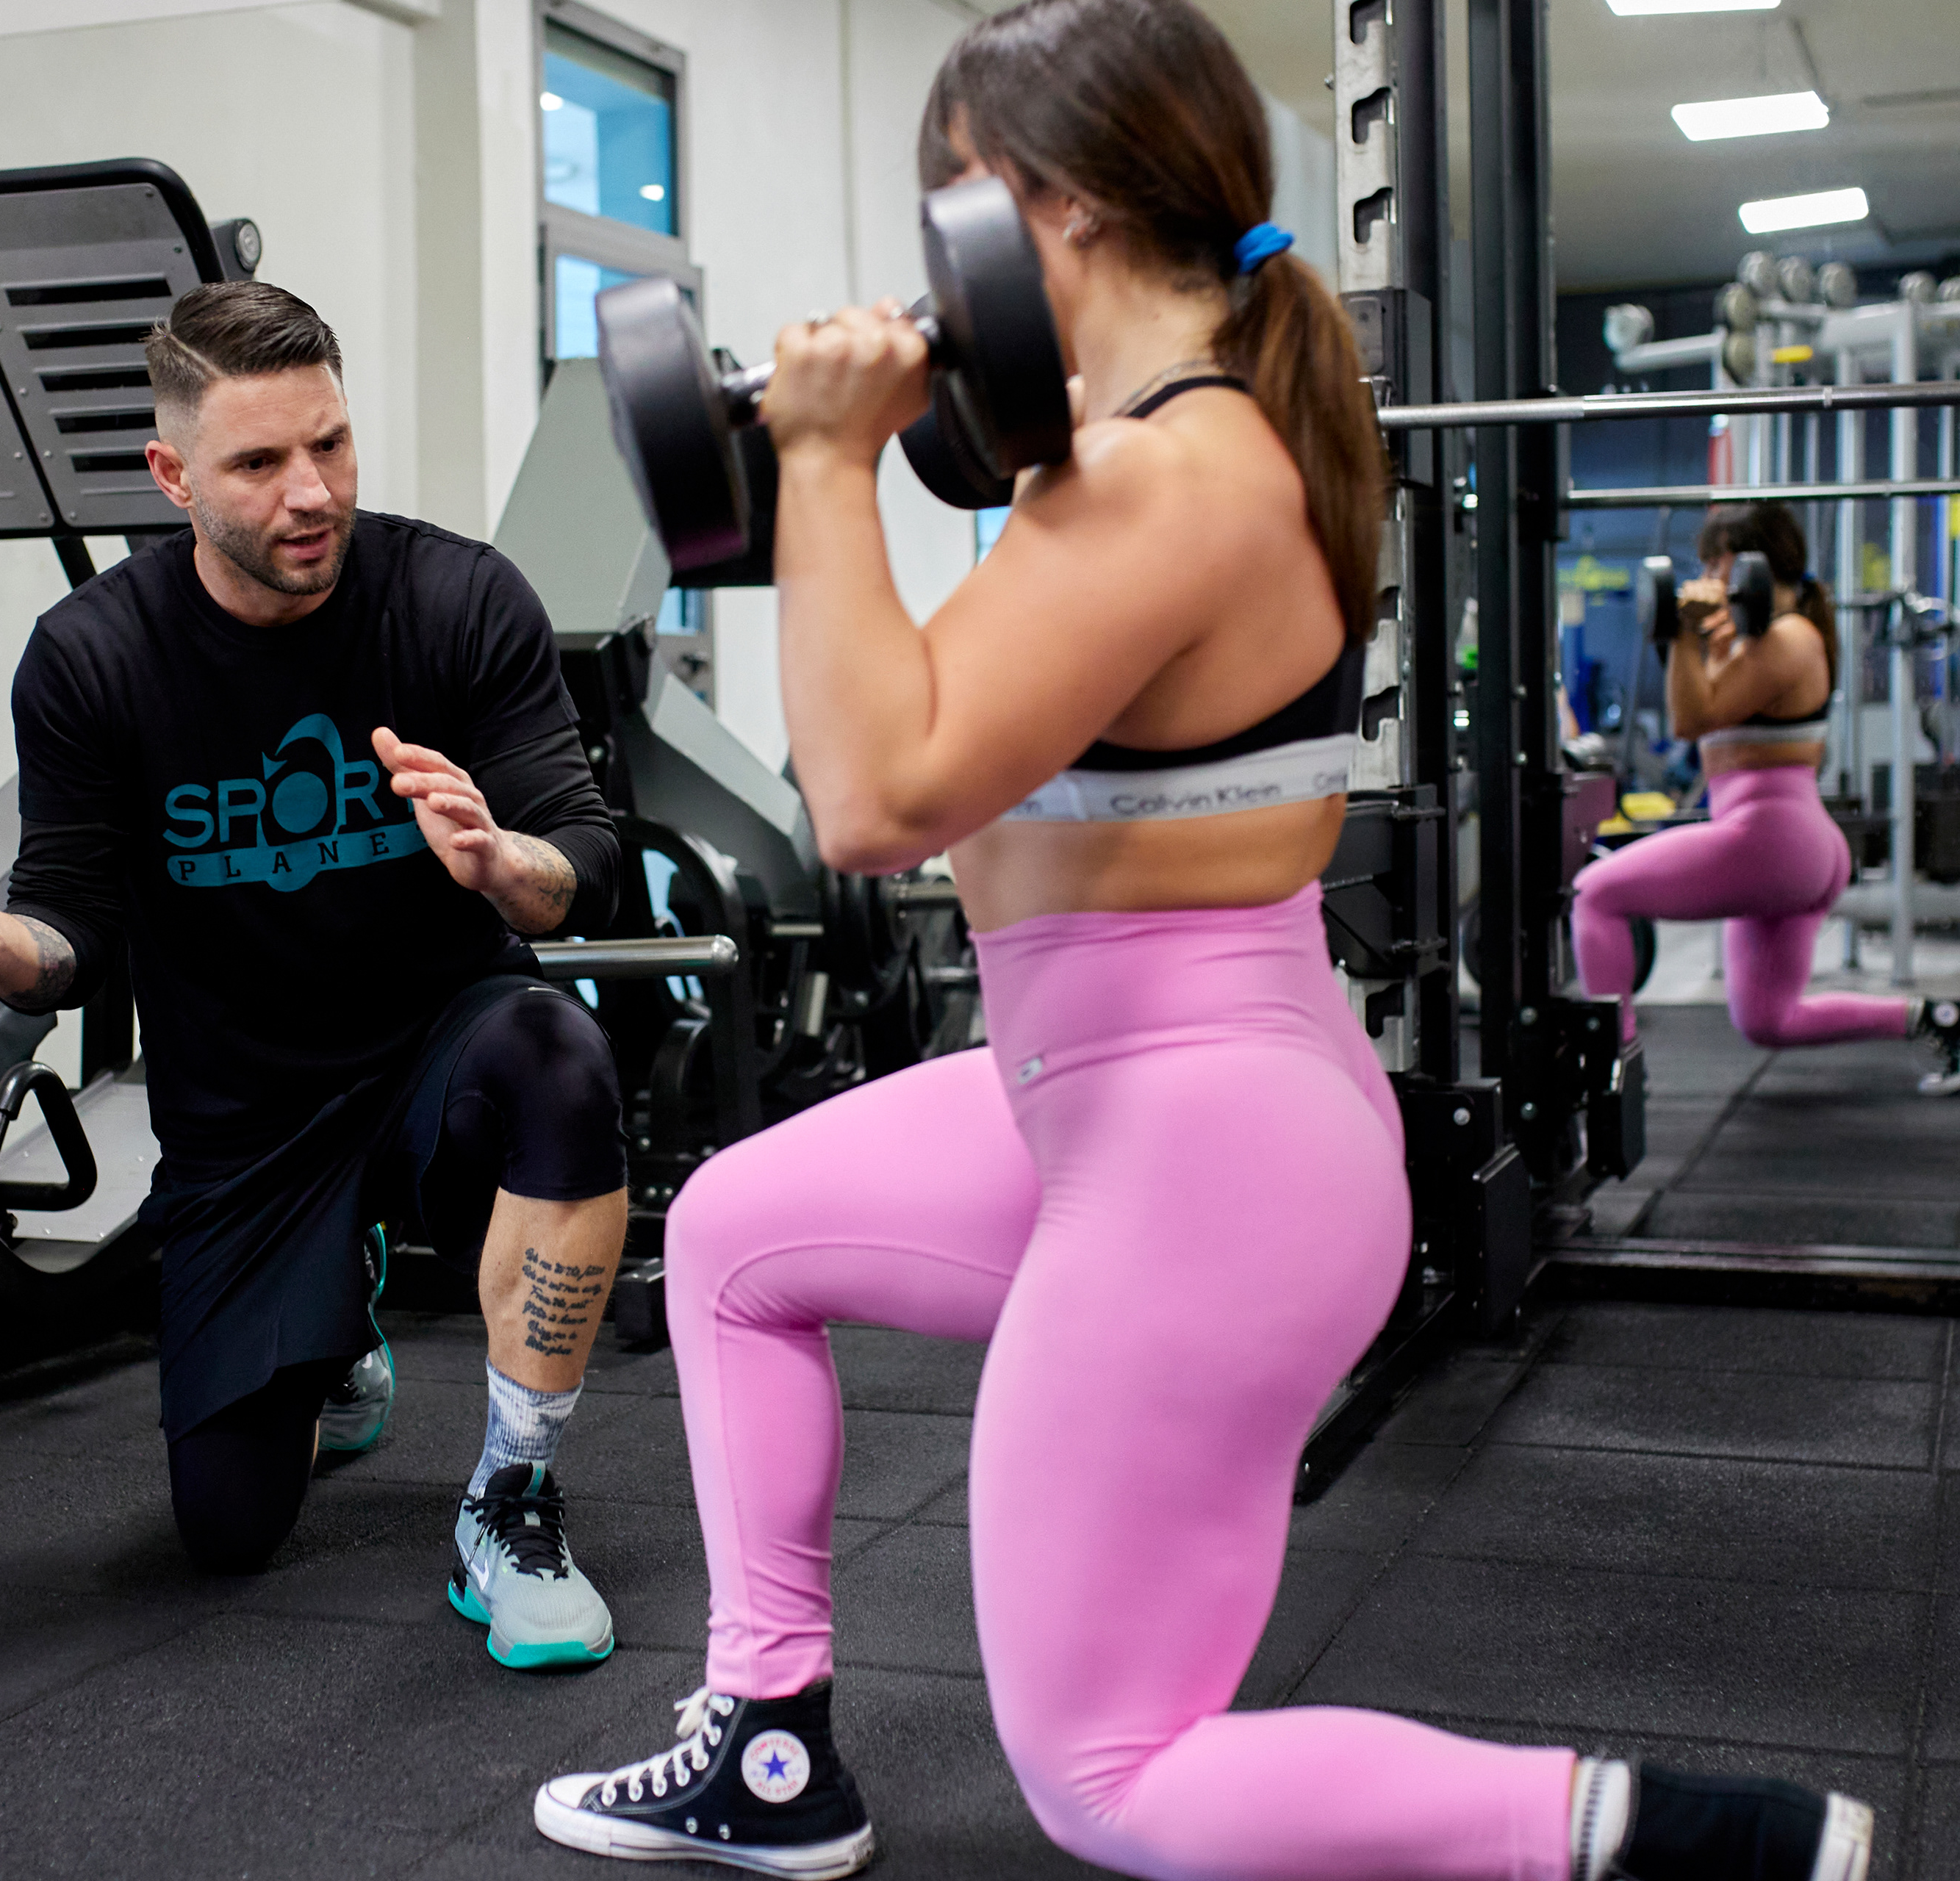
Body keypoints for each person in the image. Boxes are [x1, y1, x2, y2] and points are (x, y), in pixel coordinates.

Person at [529, 4, 1876, 1877]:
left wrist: (827, 462)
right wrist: (830, 472)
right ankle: (766, 1743)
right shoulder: (1156, 448)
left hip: (1199, 1159)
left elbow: (872, 796)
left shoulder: (1172, 469)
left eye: (946, 217)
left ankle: (1690, 1837)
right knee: (742, 1232)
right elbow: (934, 713)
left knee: (1110, 1775)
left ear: (1046, 208)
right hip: (1122, 1104)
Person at [0, 281, 631, 1670]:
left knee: (561, 1058)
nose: (312, 492)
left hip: (444, 1049)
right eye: (259, 462)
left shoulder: (457, 599)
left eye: (332, 444)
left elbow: (587, 858)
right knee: (228, 1529)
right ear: (173, 475)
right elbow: (73, 936)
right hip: (246, 1115)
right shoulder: (94, 656)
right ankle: (333, 1324)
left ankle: (512, 1499)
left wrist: (507, 866)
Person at [1573, 500, 1960, 1090]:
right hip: (1782, 843)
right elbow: (1701, 702)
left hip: (1771, 839)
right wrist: (1699, 637)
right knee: (1768, 1020)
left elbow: (1690, 720)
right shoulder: (1755, 637)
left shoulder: (1789, 637)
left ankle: (1611, 1071)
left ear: (1750, 562)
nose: (1706, 576)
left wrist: (1685, 634)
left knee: (1595, 894)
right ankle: (1937, 1019)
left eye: (1715, 562)